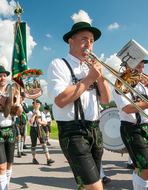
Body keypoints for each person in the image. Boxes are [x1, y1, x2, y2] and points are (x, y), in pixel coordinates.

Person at [47, 19, 111, 189]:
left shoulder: (91, 67)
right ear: (71, 41)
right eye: (84, 39)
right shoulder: (58, 64)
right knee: (95, 187)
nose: (88, 45)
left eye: (91, 41)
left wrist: (101, 77)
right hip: (73, 131)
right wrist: (90, 78)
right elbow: (60, 100)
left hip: (94, 130)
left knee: (86, 184)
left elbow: (105, 100)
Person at [113, 60, 148, 190]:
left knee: (142, 168)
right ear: (128, 67)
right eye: (138, 66)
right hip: (132, 130)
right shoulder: (121, 84)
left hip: (145, 127)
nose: (142, 71)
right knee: (145, 169)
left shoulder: (143, 86)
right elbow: (127, 108)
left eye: (143, 67)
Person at [28, 99, 55, 165]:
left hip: (40, 128)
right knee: (33, 145)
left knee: (43, 143)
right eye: (35, 104)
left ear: (40, 105)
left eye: (38, 104)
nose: (37, 105)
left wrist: (40, 122)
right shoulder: (30, 113)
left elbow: (45, 123)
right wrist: (34, 114)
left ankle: (48, 159)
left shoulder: (41, 113)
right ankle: (34, 158)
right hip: (33, 129)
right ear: (33, 105)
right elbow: (31, 121)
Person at [15, 92, 29, 157]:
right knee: (18, 136)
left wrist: (23, 105)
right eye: (21, 97)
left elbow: (27, 111)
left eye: (23, 97)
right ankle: (18, 151)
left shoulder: (24, 104)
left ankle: (21, 150)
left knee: (22, 136)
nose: (22, 98)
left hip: (23, 121)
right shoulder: (15, 103)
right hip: (17, 121)